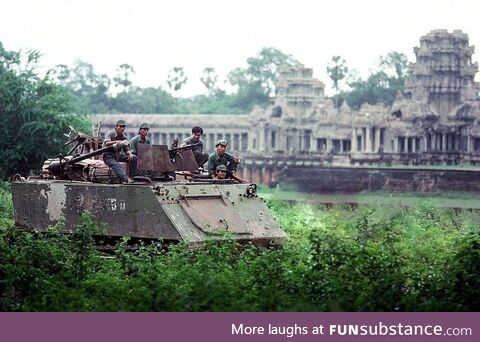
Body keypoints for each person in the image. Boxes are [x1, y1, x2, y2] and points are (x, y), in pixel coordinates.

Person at [102, 119, 137, 184]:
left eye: (123, 127)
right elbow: (107, 143)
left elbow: (126, 149)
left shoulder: (124, 137)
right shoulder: (111, 133)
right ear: (116, 127)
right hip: (108, 155)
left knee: (134, 158)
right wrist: (116, 141)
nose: (122, 128)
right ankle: (127, 179)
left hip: (117, 155)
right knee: (116, 165)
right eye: (120, 126)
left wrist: (129, 154)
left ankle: (132, 177)